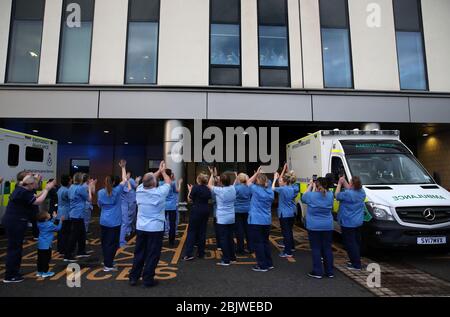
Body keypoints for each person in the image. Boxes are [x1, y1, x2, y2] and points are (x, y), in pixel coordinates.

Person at [2, 174, 56, 283]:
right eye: (35, 184)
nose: (36, 186)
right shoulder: (23, 192)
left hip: (14, 221)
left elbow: (35, 196)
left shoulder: (21, 189)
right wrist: (47, 189)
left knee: (16, 248)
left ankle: (13, 272)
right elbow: (38, 201)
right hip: (15, 222)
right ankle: (10, 275)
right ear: (30, 184)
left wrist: (43, 189)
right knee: (14, 249)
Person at [129, 161, 171, 288]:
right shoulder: (159, 192)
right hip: (155, 228)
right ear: (154, 182)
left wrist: (158, 171)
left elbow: (149, 178)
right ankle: (147, 279)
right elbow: (168, 182)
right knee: (152, 254)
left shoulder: (139, 190)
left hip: (141, 228)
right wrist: (163, 172)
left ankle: (133, 277)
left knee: (139, 252)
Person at [98, 160, 129, 271]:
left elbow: (100, 205)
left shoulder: (101, 192)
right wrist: (123, 167)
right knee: (113, 244)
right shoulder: (117, 191)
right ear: (116, 183)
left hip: (104, 220)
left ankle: (107, 260)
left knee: (105, 242)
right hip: (114, 221)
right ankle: (108, 265)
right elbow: (125, 180)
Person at [301, 177, 334, 279]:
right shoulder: (330, 195)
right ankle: (329, 271)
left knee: (316, 249)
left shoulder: (311, 196)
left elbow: (303, 197)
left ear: (317, 184)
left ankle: (318, 271)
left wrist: (311, 185)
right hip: (328, 226)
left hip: (314, 226)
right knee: (327, 249)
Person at [335, 176, 366, 270]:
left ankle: (356, 264)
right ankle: (355, 260)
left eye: (350, 182)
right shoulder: (362, 192)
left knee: (350, 244)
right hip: (358, 221)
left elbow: (337, 195)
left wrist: (340, 184)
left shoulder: (347, 194)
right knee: (356, 243)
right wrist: (344, 181)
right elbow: (351, 189)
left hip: (348, 222)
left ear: (352, 184)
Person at [247, 167, 274, 272]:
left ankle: (262, 265)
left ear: (258, 181)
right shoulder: (270, 192)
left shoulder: (255, 189)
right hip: (266, 220)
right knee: (265, 242)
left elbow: (248, 181)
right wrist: (261, 175)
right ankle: (269, 263)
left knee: (258, 243)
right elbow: (268, 182)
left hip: (256, 220)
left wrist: (257, 173)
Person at [64, 173, 96, 262]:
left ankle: (81, 251)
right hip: (78, 214)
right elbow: (89, 199)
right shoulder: (80, 188)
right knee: (74, 235)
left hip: (74, 213)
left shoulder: (71, 187)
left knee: (82, 233)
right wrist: (89, 188)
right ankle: (68, 255)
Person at [208, 168, 236, 266]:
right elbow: (235, 181)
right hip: (231, 217)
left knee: (223, 239)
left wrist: (212, 174)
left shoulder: (219, 190)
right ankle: (232, 257)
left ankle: (226, 259)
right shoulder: (233, 188)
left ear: (221, 182)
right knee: (230, 238)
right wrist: (216, 176)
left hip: (222, 218)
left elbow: (209, 185)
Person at [183, 173, 211, 261]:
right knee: (202, 232)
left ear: (198, 180)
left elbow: (190, 199)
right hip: (206, 210)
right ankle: (201, 252)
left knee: (192, 232)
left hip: (196, 210)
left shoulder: (195, 187)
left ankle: (188, 254)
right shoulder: (207, 189)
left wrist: (189, 190)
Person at [272, 164, 298, 258]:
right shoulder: (293, 188)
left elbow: (272, 188)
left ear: (284, 182)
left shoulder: (282, 189)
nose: (280, 181)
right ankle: (291, 247)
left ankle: (287, 252)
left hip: (284, 214)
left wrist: (274, 179)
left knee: (285, 233)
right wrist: (284, 171)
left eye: (281, 180)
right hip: (292, 213)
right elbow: (286, 181)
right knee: (289, 231)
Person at [36, 209, 63, 278]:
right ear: (45, 219)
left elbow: (49, 223)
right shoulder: (49, 224)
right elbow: (58, 228)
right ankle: (45, 272)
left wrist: (54, 218)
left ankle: (39, 271)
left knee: (40, 259)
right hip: (47, 246)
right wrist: (61, 221)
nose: (49, 214)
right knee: (46, 259)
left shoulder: (39, 224)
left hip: (40, 245)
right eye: (48, 214)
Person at [162, 169, 182, 247]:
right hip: (172, 206)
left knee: (162, 222)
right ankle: (171, 241)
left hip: (163, 205)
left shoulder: (160, 183)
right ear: (170, 175)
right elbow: (177, 191)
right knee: (172, 223)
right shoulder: (172, 183)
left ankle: (161, 237)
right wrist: (179, 183)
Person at [233, 172, 252, 254]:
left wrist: (235, 178)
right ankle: (250, 247)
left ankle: (240, 248)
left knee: (239, 230)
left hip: (237, 210)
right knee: (248, 229)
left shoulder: (236, 188)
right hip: (247, 209)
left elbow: (232, 191)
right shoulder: (249, 187)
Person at [120, 170, 138, 247]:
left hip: (125, 204)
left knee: (126, 219)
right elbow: (132, 188)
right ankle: (123, 238)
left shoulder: (121, 184)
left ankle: (127, 232)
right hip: (130, 201)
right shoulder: (130, 180)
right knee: (128, 218)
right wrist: (137, 181)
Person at [56, 175, 72, 254]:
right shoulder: (66, 191)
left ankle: (60, 249)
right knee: (66, 233)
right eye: (70, 180)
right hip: (66, 213)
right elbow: (72, 199)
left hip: (60, 212)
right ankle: (64, 249)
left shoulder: (60, 189)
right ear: (68, 181)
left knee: (61, 233)